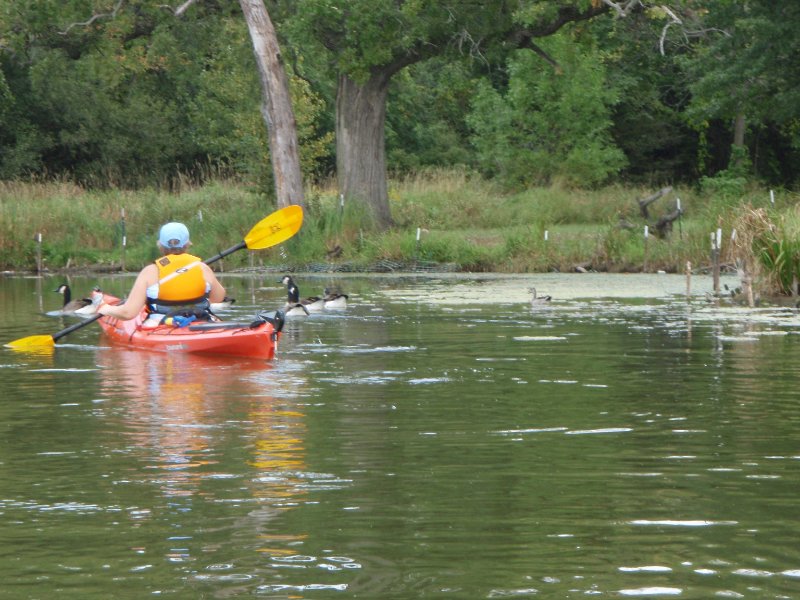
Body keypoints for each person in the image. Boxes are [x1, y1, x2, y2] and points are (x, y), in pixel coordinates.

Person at [98, 222, 226, 323]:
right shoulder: (202, 267)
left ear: (160, 245)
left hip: (162, 323)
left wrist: (106, 309)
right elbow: (218, 298)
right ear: (188, 244)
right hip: (201, 320)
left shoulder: (150, 271)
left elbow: (128, 313)